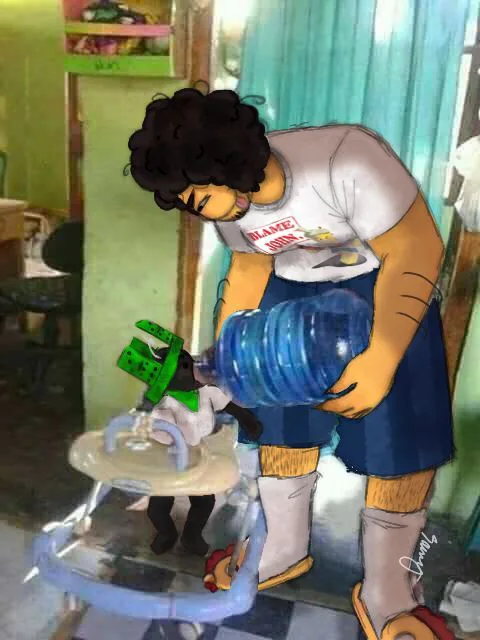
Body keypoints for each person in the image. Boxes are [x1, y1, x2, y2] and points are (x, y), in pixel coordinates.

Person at [127, 87, 454, 640]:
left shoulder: (346, 159)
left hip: (386, 286)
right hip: (291, 292)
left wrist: (383, 355)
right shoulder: (229, 205)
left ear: (227, 163)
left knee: (400, 443)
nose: (193, 209)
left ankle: (388, 590)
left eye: (195, 198)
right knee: (282, 427)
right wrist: (226, 361)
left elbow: (417, 248)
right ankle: (282, 546)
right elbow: (249, 271)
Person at [130, 346, 263, 557]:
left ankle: (191, 536)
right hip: (168, 451)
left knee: (204, 501)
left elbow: (231, 406)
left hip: (202, 447)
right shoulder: (160, 393)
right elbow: (142, 413)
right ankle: (166, 533)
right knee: (158, 506)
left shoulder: (208, 392)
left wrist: (248, 421)